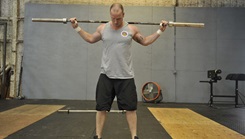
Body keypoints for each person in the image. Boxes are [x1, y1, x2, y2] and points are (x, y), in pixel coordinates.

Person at [70, 3, 167, 139]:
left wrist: (160, 31)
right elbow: (90, 39)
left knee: (131, 109)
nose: (115, 21)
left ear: (123, 15)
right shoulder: (103, 28)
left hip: (126, 76)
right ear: (110, 15)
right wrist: (77, 28)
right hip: (106, 75)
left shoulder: (131, 29)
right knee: (101, 108)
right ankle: (97, 136)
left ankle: (134, 136)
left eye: (118, 18)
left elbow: (145, 41)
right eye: (113, 18)